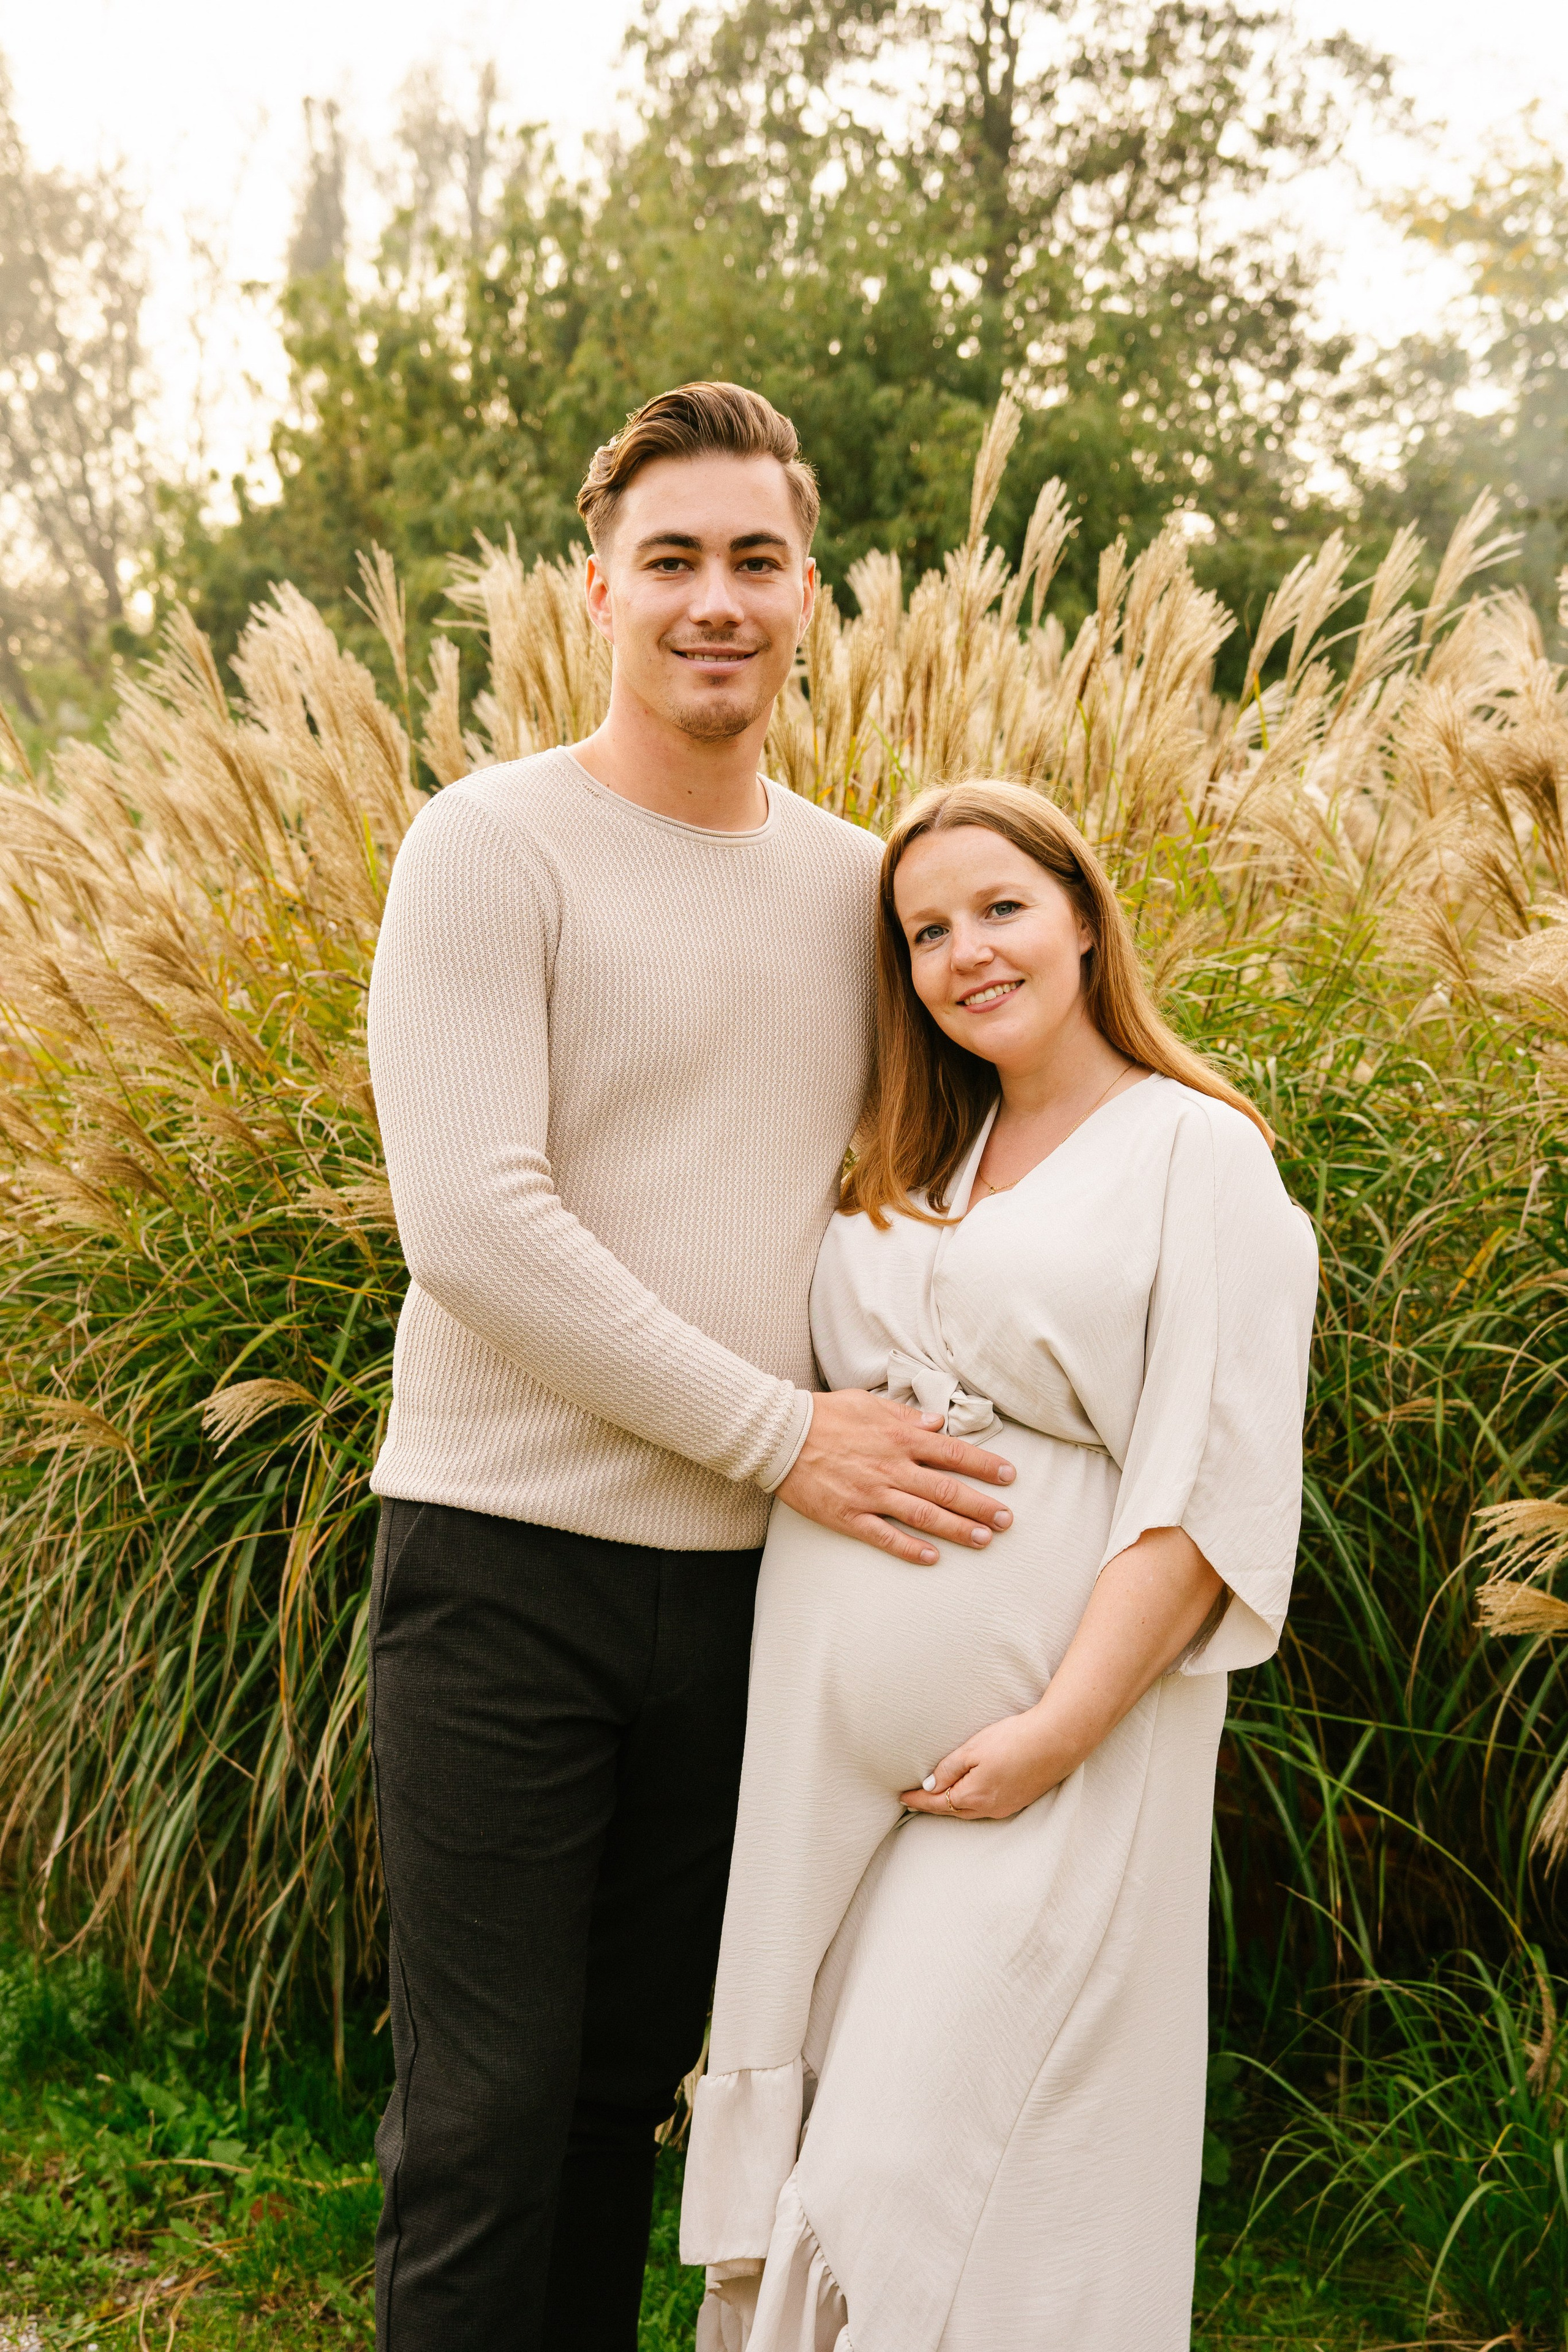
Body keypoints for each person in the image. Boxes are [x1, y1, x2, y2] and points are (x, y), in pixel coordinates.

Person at [363, 385, 1017, 2352]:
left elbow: (973, 1157)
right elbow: (473, 1223)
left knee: (614, 2105)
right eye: (672, 561)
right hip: (502, 1570)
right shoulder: (490, 848)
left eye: (754, 560)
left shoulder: (860, 890)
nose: (713, 599)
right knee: (480, 2127)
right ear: (597, 592)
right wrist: (778, 1435)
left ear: (809, 592)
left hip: (756, 1596)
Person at [681, 779, 1319, 2351]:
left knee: (931, 2149)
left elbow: (1207, 1488)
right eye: (924, 931)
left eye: (999, 908)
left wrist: (1051, 1734)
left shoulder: (1197, 1153)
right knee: (827, 2134)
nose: (965, 951)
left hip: (1054, 1750)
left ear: (1084, 915)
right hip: (829, 1772)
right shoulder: (915, 1151)